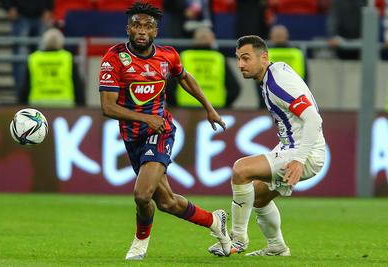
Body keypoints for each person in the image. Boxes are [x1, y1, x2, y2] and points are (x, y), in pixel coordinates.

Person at [98, 2, 231, 260]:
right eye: (136, 25)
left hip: (160, 131)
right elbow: (107, 107)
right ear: (128, 28)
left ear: (155, 31)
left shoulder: (168, 55)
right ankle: (215, 221)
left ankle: (140, 243)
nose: (141, 30)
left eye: (148, 26)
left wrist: (209, 108)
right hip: (134, 135)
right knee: (167, 202)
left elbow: (184, 77)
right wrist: (144, 118)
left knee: (141, 194)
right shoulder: (113, 59)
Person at [208, 35, 325, 256]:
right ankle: (277, 247)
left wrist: (299, 160)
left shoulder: (277, 83)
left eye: (246, 58)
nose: (240, 64)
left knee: (241, 169)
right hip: (292, 147)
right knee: (259, 197)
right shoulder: (275, 71)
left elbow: (314, 119)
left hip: (304, 152)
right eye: (238, 59)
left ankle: (237, 239)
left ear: (264, 57)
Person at [169, 26, 240, 108]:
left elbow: (168, 88)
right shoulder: (219, 58)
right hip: (214, 108)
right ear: (212, 40)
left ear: (194, 39)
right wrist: (224, 106)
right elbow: (235, 89)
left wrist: (175, 105)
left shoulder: (184, 57)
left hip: (186, 108)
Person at [19, 28, 85, 107]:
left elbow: (26, 85)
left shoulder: (34, 58)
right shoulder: (67, 58)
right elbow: (77, 84)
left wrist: (21, 105)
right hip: (64, 104)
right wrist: (82, 105)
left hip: (38, 104)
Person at [0, 0, 54, 93]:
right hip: (20, 14)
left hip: (40, 14)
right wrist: (9, 6)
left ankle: (42, 91)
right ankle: (21, 94)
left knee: (42, 57)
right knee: (21, 58)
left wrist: (48, 7)